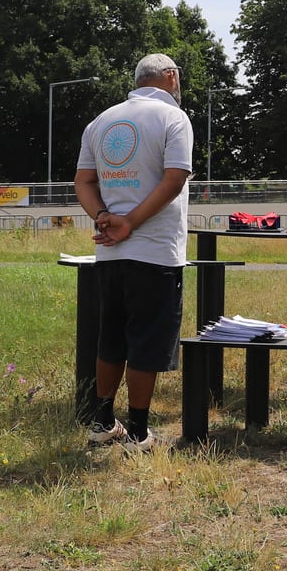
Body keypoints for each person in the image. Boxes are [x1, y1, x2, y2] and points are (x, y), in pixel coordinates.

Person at [74, 54, 194, 452]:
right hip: (156, 250)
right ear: (171, 77)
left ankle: (103, 421)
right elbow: (174, 179)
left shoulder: (102, 121)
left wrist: (105, 217)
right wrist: (132, 222)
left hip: (111, 252)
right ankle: (140, 434)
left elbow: (83, 181)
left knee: (111, 340)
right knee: (146, 342)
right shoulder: (173, 118)